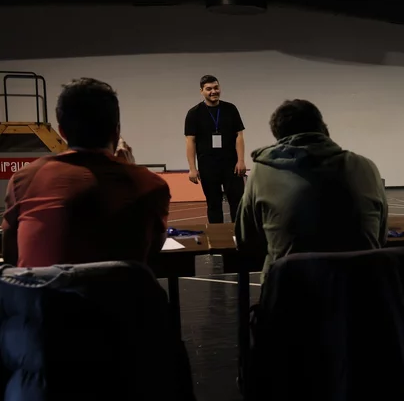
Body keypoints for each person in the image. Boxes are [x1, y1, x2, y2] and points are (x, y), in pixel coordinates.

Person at [2, 78, 170, 267]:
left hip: (43, 287)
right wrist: (129, 169)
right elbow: (151, 250)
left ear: (62, 131)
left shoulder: (24, 180)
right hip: (117, 287)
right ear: (116, 131)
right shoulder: (149, 184)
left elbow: (10, 255)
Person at [235, 99, 388, 281]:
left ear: (278, 136)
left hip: (292, 291)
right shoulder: (366, 167)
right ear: (323, 128)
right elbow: (381, 236)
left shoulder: (262, 172)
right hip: (362, 289)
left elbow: (247, 241)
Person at [184, 75, 247, 223]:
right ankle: (216, 235)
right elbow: (190, 141)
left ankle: (240, 234)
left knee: (238, 202)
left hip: (232, 165)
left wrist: (241, 160)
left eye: (216, 87)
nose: (213, 91)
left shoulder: (230, 109)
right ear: (201, 91)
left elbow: (239, 136)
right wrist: (192, 168)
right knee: (213, 204)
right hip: (207, 165)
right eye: (209, 89)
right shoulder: (194, 113)